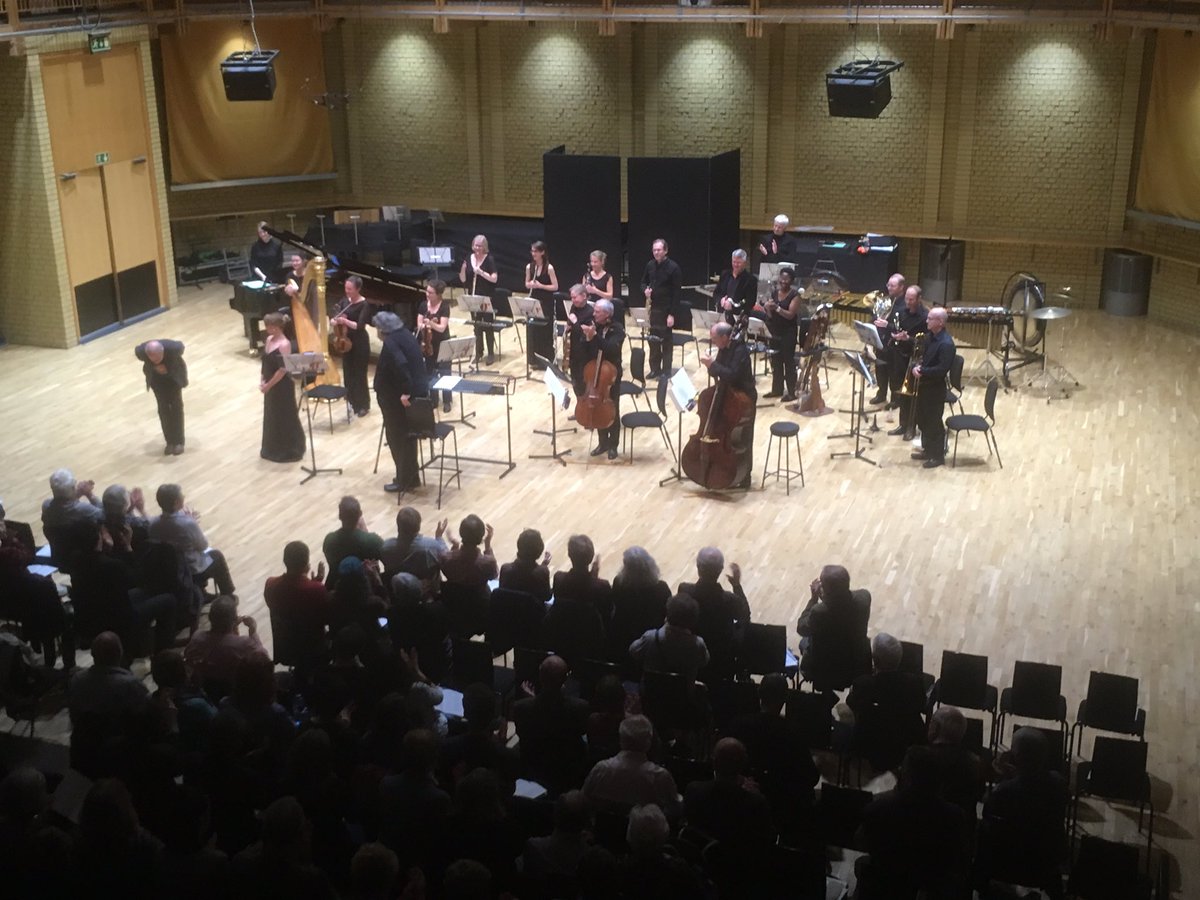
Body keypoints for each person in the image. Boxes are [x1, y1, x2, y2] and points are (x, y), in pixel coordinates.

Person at [846, 632, 929, 772]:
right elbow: (922, 705)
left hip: (868, 744)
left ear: (874, 659)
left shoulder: (863, 684)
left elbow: (851, 703)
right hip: (906, 743)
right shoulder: (914, 684)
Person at [512, 654, 590, 793]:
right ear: (565, 680)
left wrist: (531, 701)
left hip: (532, 769)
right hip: (567, 772)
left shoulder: (520, 708)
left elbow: (525, 730)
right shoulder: (581, 708)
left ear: (540, 677)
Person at [372, 311, 428, 494]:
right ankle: (411, 477)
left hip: (396, 401)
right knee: (407, 438)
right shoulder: (406, 334)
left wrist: (405, 392)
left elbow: (402, 365)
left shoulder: (391, 342)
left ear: (382, 330)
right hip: (410, 396)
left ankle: (404, 480)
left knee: (398, 439)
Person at [582, 715, 680, 817]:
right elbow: (675, 810)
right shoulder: (660, 777)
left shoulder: (601, 769)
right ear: (649, 743)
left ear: (621, 740)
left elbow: (583, 799)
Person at [148, 483, 236, 597]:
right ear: (176, 503)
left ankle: (201, 593)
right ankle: (228, 595)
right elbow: (203, 545)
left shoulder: (153, 524)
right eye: (181, 496)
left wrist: (186, 519)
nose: (184, 497)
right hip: (191, 571)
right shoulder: (187, 523)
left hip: (169, 571)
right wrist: (192, 522)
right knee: (216, 556)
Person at [677, 546, 749, 681]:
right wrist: (737, 586)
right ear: (721, 570)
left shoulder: (685, 591)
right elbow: (745, 616)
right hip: (721, 665)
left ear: (698, 567)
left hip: (688, 661)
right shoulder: (730, 600)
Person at [699, 322, 757, 489]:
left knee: (744, 439)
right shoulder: (724, 347)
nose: (714, 342)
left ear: (725, 337)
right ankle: (720, 468)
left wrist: (713, 365)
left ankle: (745, 475)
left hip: (743, 397)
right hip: (727, 396)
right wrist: (711, 366)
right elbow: (717, 371)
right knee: (723, 433)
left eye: (715, 339)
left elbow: (732, 375)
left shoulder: (740, 351)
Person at [795, 564, 871, 688]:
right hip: (856, 665)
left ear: (825, 590)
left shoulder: (819, 612)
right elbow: (843, 603)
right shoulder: (864, 598)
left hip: (825, 669)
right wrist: (828, 597)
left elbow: (802, 628)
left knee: (804, 642)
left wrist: (814, 599)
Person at [184, 596, 266, 691]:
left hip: (206, 689)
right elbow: (263, 658)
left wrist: (233, 630)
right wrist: (252, 631)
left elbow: (188, 656)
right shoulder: (244, 644)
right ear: (234, 619)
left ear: (210, 617)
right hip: (236, 690)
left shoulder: (197, 638)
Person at [628, 594, 710, 684]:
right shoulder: (698, 644)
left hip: (650, 694)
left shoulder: (650, 637)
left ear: (667, 615)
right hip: (682, 696)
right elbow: (704, 662)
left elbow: (633, 651)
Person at [911, 305, 956, 469]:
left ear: (941, 323)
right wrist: (918, 365)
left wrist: (922, 370)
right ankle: (927, 450)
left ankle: (938, 456)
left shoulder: (946, 344)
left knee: (933, 422)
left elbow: (941, 370)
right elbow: (926, 358)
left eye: (930, 319)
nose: (926, 320)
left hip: (934, 388)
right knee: (922, 419)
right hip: (925, 385)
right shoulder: (930, 337)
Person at [580, 298, 624, 460]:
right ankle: (602, 443)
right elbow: (585, 348)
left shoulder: (618, 329)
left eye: (597, 312)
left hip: (610, 375)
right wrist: (586, 338)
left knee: (612, 409)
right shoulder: (594, 325)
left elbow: (611, 349)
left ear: (607, 314)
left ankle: (613, 445)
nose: (594, 314)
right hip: (594, 372)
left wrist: (595, 336)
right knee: (597, 405)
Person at [259, 312, 306, 463]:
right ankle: (272, 448)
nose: (267, 329)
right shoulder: (268, 340)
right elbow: (265, 362)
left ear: (278, 327)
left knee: (284, 415)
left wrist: (268, 385)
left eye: (270, 326)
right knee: (272, 415)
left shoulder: (285, 345)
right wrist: (262, 380)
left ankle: (289, 448)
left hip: (281, 385)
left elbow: (282, 370)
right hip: (269, 383)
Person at [885, 284, 929, 439]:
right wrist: (896, 335)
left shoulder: (925, 317)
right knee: (902, 394)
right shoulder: (901, 312)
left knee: (913, 396)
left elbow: (926, 341)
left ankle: (912, 427)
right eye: (907, 299)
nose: (908, 302)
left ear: (919, 299)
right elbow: (898, 329)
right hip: (900, 357)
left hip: (915, 359)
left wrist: (908, 338)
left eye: (911, 299)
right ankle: (903, 424)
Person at [134, 339, 188, 455]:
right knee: (163, 409)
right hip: (157, 381)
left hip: (173, 378)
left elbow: (182, 346)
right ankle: (169, 442)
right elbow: (137, 352)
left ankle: (179, 442)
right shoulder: (141, 352)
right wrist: (154, 368)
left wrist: (167, 367)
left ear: (163, 351)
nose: (157, 362)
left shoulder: (174, 348)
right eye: (153, 360)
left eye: (159, 359)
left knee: (176, 408)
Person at [330, 275, 373, 417]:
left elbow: (360, 326)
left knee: (359, 374)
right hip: (345, 341)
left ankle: (363, 405)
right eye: (346, 288)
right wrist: (334, 321)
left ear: (358, 289)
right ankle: (352, 401)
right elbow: (336, 316)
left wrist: (345, 321)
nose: (347, 291)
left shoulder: (365, 304)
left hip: (359, 341)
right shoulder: (344, 301)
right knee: (348, 372)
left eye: (350, 289)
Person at [640, 239, 682, 378]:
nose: (656, 252)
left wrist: (672, 314)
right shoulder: (650, 265)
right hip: (653, 309)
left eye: (659, 250)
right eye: (654, 250)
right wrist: (645, 289)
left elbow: (677, 293)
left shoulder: (673, 268)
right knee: (653, 340)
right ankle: (655, 369)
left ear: (665, 251)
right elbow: (643, 282)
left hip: (666, 309)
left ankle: (666, 371)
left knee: (666, 342)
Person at [322, 496, 384, 590]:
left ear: (339, 516)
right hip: (367, 588)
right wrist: (365, 533)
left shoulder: (329, 540)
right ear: (360, 514)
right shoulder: (373, 540)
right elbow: (387, 559)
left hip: (336, 587)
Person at [762, 266, 803, 401]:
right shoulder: (775, 292)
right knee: (776, 361)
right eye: (782, 278)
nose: (783, 281)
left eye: (787, 279)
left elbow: (791, 315)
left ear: (791, 280)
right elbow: (771, 315)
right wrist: (767, 309)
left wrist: (778, 308)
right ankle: (777, 389)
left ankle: (792, 392)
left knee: (788, 362)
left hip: (788, 333)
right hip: (775, 331)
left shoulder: (795, 295)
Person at [459, 234, 499, 364]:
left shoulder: (489, 260)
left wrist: (481, 272)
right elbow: (463, 280)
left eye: (480, 246)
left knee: (488, 326)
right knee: (476, 327)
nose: (477, 248)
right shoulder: (468, 258)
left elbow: (494, 279)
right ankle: (478, 353)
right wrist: (463, 269)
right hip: (473, 297)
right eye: (476, 245)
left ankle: (491, 354)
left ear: (484, 247)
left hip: (487, 297)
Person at [869, 272, 907, 406]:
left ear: (901, 287)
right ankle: (881, 394)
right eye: (888, 285)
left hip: (896, 346)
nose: (889, 288)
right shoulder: (886, 300)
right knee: (880, 370)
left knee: (894, 373)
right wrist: (874, 319)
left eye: (893, 285)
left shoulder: (905, 305)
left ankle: (896, 399)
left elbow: (904, 327)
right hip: (881, 342)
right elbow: (875, 317)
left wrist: (888, 325)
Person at [417, 279, 453, 413]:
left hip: (442, 344)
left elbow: (442, 328)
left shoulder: (444, 306)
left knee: (445, 372)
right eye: (427, 291)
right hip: (428, 344)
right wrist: (424, 325)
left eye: (430, 292)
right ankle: (433, 399)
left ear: (438, 294)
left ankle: (447, 400)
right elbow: (419, 324)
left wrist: (430, 324)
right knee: (430, 372)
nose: (427, 294)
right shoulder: (422, 305)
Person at [498, 527, 552, 603]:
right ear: (539, 551)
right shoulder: (542, 572)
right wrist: (543, 567)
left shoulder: (505, 569)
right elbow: (547, 596)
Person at [563, 283, 595, 397]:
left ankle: (585, 411)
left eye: (575, 297)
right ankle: (579, 409)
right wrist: (569, 327)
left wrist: (576, 323)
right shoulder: (574, 307)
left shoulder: (591, 312)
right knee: (575, 381)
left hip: (585, 353)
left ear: (584, 296)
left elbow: (586, 334)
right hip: (574, 350)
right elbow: (574, 325)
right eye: (571, 297)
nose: (573, 300)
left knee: (583, 383)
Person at [714, 249, 756, 326]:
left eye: (739, 263)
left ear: (745, 263)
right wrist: (721, 300)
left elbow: (750, 302)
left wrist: (733, 307)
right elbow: (717, 293)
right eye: (734, 262)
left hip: (739, 318)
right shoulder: (725, 274)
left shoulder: (750, 280)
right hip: (722, 315)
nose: (735, 265)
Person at [525, 240, 560, 307]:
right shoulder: (529, 267)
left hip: (546, 302)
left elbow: (555, 287)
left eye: (535, 251)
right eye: (532, 251)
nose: (533, 254)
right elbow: (526, 284)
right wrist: (530, 284)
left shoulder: (549, 268)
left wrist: (540, 286)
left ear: (542, 252)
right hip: (533, 300)